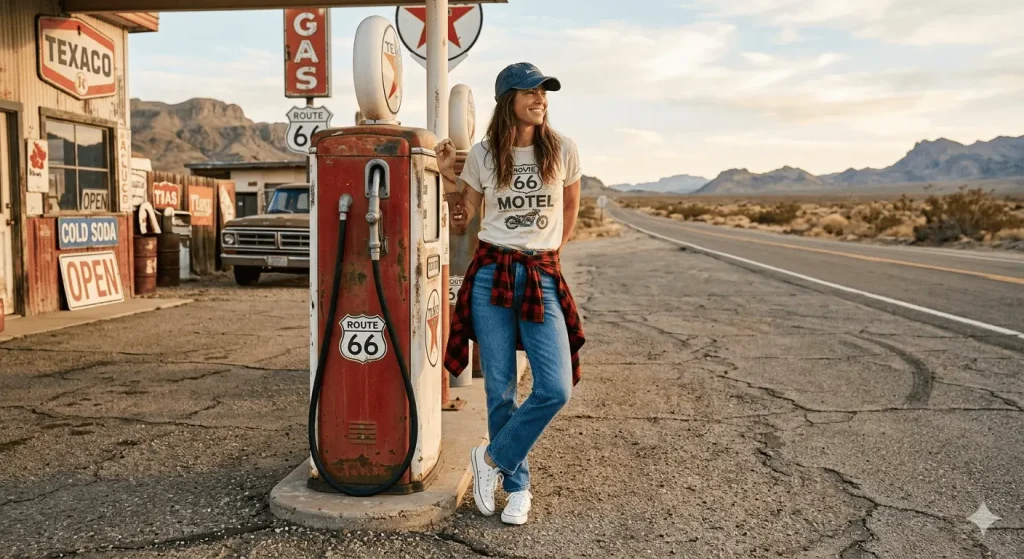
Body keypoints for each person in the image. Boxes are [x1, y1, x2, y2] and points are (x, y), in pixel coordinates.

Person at [436, 62, 586, 526]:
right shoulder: (483, 154)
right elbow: (462, 220)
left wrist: (546, 256)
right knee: (499, 390)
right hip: (491, 274)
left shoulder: (563, 150)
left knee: (554, 388)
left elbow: (570, 210)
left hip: (539, 275)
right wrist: (445, 176)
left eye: (545, 93)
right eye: (531, 92)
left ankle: (490, 460)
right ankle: (518, 488)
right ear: (508, 100)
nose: (541, 99)